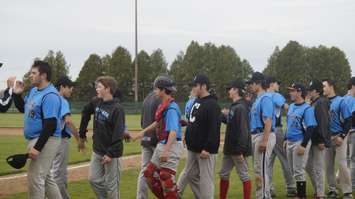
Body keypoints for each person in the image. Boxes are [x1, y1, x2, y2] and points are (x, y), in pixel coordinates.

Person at [12, 60, 63, 199]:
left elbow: (50, 125)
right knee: (45, 178)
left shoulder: (50, 95)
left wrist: (37, 148)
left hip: (47, 139)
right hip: (37, 138)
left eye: (34, 73)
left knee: (35, 178)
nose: (30, 75)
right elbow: (24, 108)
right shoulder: (34, 91)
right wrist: (17, 95)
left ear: (43, 75)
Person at [133, 75, 183, 198]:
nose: (154, 91)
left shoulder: (171, 108)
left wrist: (166, 151)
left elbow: (173, 132)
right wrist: (141, 133)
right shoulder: (163, 105)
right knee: (148, 173)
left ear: (162, 90)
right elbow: (157, 123)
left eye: (156, 89)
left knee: (165, 178)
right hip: (162, 144)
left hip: (171, 145)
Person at [177, 74, 221, 199]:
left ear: (204, 86)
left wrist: (207, 148)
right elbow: (192, 122)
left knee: (206, 181)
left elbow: (214, 129)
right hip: (193, 147)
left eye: (195, 85)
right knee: (190, 175)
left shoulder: (212, 104)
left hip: (204, 150)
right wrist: (187, 135)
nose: (193, 88)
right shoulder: (197, 101)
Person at [82, 76, 126, 199]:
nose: (97, 89)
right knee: (93, 180)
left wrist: (110, 153)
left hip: (112, 154)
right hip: (97, 150)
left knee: (112, 186)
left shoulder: (117, 109)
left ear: (108, 89)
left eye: (99, 87)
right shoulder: (97, 102)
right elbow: (85, 111)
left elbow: (118, 133)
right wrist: (82, 133)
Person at [50, 76, 83, 199]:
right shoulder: (61, 100)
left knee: (54, 174)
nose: (71, 90)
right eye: (69, 87)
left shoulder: (48, 98)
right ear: (62, 87)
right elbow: (68, 121)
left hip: (47, 141)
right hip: (59, 140)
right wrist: (79, 139)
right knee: (58, 176)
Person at [219, 80, 252, 199]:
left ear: (236, 90)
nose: (229, 91)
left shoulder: (240, 107)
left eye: (230, 88)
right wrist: (222, 115)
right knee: (223, 174)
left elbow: (243, 131)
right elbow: (230, 122)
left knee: (244, 175)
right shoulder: (235, 106)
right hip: (230, 148)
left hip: (237, 149)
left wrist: (240, 150)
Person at [264, 76, 296, 197]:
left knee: (268, 161)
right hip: (276, 131)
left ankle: (269, 188)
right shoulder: (276, 95)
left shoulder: (263, 96)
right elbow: (287, 107)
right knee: (285, 159)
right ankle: (291, 187)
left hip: (265, 131)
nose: (278, 86)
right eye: (277, 83)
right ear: (272, 84)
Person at [284, 83, 317, 199]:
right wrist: (285, 138)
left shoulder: (307, 109)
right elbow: (288, 124)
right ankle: (300, 194)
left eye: (293, 91)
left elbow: (310, 128)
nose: (290, 93)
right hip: (290, 141)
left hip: (300, 141)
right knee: (293, 169)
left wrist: (303, 145)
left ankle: (302, 196)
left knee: (298, 170)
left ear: (299, 92)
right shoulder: (292, 106)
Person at [246, 72, 275, 199]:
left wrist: (264, 140)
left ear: (258, 83)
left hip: (263, 134)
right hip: (257, 135)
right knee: (259, 169)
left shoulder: (266, 98)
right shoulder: (257, 99)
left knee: (261, 170)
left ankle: (263, 196)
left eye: (252, 83)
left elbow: (268, 120)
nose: (250, 86)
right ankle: (264, 195)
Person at [323, 79, 353, 199]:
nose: (323, 88)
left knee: (342, 164)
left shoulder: (341, 101)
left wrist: (342, 136)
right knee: (328, 165)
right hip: (327, 138)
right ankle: (332, 189)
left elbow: (348, 120)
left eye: (324, 86)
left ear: (331, 86)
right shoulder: (322, 102)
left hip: (339, 136)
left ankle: (347, 191)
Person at [306, 79, 330, 199]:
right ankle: (318, 190)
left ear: (316, 91)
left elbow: (323, 122)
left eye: (310, 90)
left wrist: (321, 140)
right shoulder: (314, 102)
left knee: (318, 167)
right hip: (311, 139)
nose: (309, 92)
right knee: (308, 166)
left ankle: (320, 194)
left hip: (318, 140)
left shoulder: (321, 102)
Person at [136, 89, 161, 199]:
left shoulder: (146, 98)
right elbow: (160, 121)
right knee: (164, 172)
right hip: (156, 140)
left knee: (144, 171)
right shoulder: (160, 98)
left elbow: (142, 122)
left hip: (145, 139)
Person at [345, 77, 355, 191]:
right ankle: (352, 184)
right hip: (352, 132)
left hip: (343, 133)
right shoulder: (352, 100)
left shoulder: (343, 98)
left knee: (346, 160)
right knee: (353, 160)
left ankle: (345, 183)